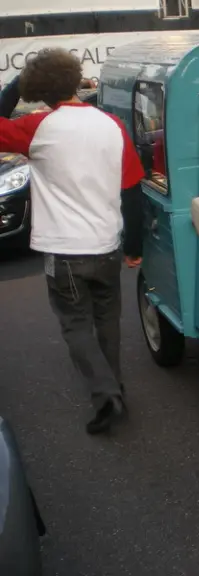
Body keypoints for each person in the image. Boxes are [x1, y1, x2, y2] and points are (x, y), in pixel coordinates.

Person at [0, 48, 144, 435]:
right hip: (107, 245)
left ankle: (106, 393)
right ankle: (115, 389)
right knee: (107, 321)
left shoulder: (37, 127)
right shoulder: (112, 124)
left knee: (75, 324)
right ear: (75, 79)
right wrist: (134, 247)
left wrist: (16, 82)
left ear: (38, 89)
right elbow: (132, 190)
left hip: (63, 251)